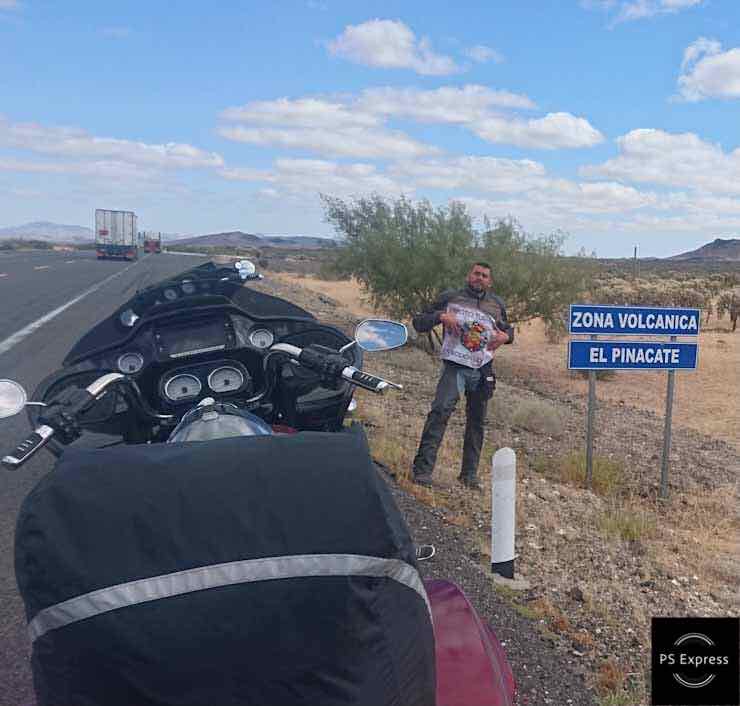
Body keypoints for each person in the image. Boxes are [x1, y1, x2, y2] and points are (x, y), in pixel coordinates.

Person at [411, 262, 514, 490]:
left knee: (476, 421)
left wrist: (505, 337)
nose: (480, 278)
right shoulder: (451, 297)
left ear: (490, 281)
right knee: (440, 412)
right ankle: (422, 471)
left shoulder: (497, 304)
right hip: (455, 366)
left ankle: (469, 476)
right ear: (469, 275)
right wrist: (440, 316)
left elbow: (509, 330)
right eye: (476, 273)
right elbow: (419, 322)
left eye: (485, 276)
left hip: (482, 369)